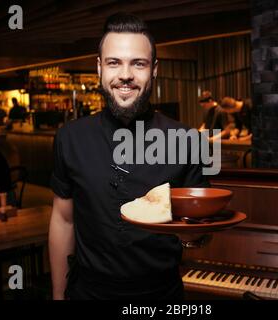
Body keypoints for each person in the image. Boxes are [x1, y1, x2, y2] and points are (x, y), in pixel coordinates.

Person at [48, 13, 209, 300]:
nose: (125, 74)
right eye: (114, 62)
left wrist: (194, 235)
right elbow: (63, 221)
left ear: (154, 70)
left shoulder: (188, 141)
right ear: (99, 68)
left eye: (138, 63)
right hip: (88, 293)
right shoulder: (69, 138)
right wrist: (59, 297)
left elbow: (200, 228)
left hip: (162, 295)